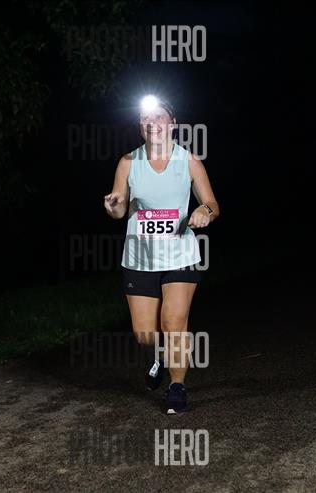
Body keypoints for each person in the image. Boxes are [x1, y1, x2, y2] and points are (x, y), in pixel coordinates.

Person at [103, 95, 219, 414]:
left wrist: (205, 212)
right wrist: (114, 206)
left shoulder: (189, 161)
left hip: (180, 254)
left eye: (159, 117)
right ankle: (159, 356)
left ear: (172, 123)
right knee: (144, 334)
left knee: (174, 322)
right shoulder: (128, 162)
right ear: (140, 126)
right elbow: (119, 208)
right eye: (145, 118)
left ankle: (177, 387)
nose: (151, 123)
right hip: (139, 258)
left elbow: (212, 203)